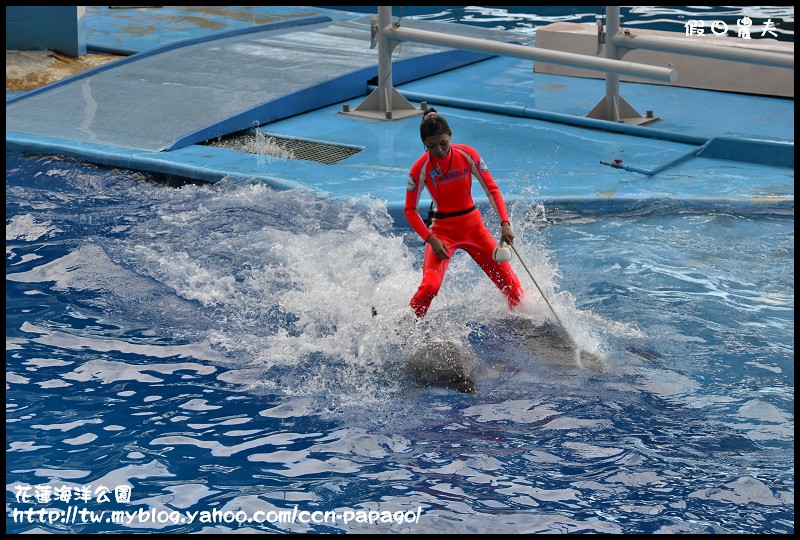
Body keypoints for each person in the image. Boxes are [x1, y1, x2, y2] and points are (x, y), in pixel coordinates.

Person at [404, 107, 525, 318]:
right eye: (432, 146)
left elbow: (492, 190)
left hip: (474, 228)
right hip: (442, 233)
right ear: (424, 144)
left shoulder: (467, 154)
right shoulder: (420, 168)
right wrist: (431, 239)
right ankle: (406, 325)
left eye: (443, 143)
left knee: (512, 286)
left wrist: (504, 223)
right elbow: (410, 210)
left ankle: (526, 324)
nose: (440, 150)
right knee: (429, 287)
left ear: (450, 136)